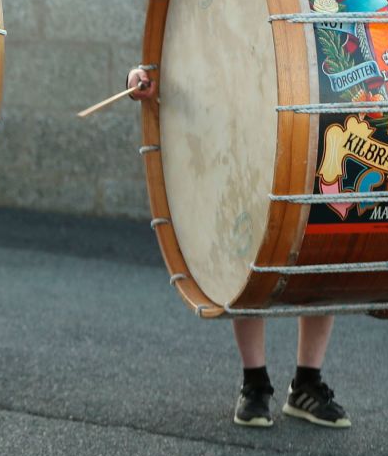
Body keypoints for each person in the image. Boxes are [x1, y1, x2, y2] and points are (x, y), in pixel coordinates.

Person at [126, 66, 350, 429]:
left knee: (318, 256)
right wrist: (138, 78)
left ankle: (307, 383)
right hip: (237, 143)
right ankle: (254, 384)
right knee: (248, 259)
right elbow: (171, 57)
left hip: (305, 130)